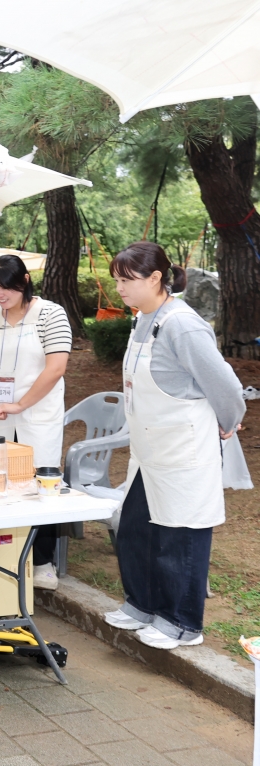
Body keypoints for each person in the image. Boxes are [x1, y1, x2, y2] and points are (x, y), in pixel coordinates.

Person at [103, 242, 245, 650]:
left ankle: (181, 622)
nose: (120, 289)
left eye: (126, 281)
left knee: (179, 536)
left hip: (182, 448)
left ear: (155, 279)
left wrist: (228, 420)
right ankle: (142, 604)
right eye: (117, 280)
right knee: (135, 530)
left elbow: (226, 385)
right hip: (149, 451)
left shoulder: (183, 324)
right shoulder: (143, 319)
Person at [0, 254, 72, 590]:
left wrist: (21, 404)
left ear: (25, 281)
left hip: (36, 414)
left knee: (39, 484)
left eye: (6, 289)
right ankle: (3, 555)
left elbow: (56, 367)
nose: (0, 296)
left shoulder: (51, 314)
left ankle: (43, 561)